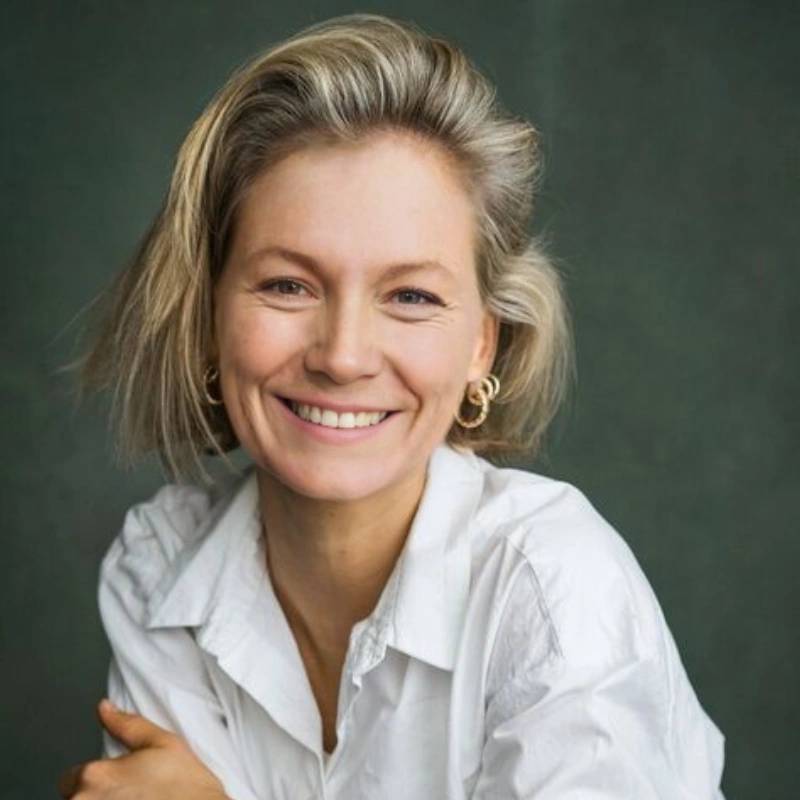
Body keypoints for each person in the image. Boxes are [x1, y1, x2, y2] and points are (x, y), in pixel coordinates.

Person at [59, 12, 726, 800]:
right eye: (287, 285)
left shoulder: (553, 590)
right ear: (208, 316)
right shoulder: (159, 568)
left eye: (410, 296)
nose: (342, 355)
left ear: (483, 344)